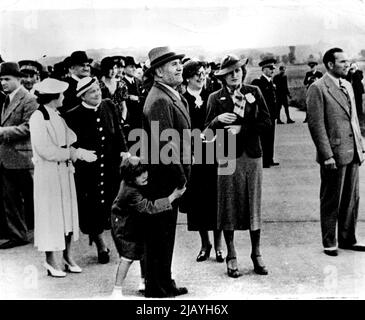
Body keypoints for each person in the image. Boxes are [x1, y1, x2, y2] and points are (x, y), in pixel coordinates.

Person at [205, 54, 271, 277]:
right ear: (223, 76)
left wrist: (243, 129)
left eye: (238, 70)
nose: (235, 75)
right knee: (228, 204)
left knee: (254, 203)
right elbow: (206, 132)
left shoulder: (254, 92)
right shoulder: (215, 98)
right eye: (230, 72)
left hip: (252, 155)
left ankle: (256, 252)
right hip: (227, 157)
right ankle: (231, 253)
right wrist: (216, 121)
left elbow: (266, 122)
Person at [30, 78, 97, 277]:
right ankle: (51, 261)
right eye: (61, 95)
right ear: (53, 97)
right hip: (49, 174)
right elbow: (44, 150)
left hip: (64, 172)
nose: (64, 98)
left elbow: (69, 140)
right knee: (51, 217)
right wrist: (73, 154)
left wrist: (78, 151)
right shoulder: (38, 117)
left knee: (67, 215)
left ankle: (67, 257)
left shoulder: (56, 115)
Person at [142, 46, 191, 298]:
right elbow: (166, 145)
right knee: (160, 235)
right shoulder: (160, 98)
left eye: (179, 62)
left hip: (167, 177)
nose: (179, 67)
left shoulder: (168, 94)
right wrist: (181, 180)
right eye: (173, 64)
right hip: (165, 179)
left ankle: (163, 282)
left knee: (164, 234)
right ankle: (156, 287)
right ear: (159, 72)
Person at [306, 47, 365, 257]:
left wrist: (361, 146)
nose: (347, 64)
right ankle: (330, 241)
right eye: (342, 62)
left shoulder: (348, 85)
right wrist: (326, 155)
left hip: (353, 152)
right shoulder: (318, 88)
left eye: (348, 61)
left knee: (352, 198)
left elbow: (354, 119)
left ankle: (348, 238)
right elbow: (316, 125)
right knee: (332, 198)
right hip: (334, 154)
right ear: (330, 65)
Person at [64, 77, 129, 264]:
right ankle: (101, 245)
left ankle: (120, 245)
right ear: (82, 95)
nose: (97, 93)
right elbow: (71, 143)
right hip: (87, 169)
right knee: (91, 208)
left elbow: (118, 131)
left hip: (110, 166)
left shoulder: (109, 105)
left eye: (98, 89)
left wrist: (124, 151)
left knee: (114, 205)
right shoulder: (72, 115)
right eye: (92, 91)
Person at [110, 156, 185, 298]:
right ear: (131, 179)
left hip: (133, 221)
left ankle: (143, 281)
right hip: (124, 227)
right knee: (128, 256)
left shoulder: (132, 182)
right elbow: (150, 207)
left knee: (143, 252)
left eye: (145, 171)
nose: (144, 175)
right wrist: (173, 196)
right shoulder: (131, 191)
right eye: (139, 174)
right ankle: (117, 289)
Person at [181, 60, 224, 263]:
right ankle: (204, 244)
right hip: (193, 156)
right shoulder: (182, 100)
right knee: (198, 201)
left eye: (203, 73)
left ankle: (218, 245)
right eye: (197, 74)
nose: (201, 76)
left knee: (216, 198)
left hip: (214, 152)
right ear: (188, 77)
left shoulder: (213, 96)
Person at [0, 62, 38, 249]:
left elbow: (29, 127)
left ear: (18, 79)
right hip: (8, 157)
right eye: (1, 79)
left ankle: (53, 230)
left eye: (7, 79)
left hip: (24, 157)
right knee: (11, 198)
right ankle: (18, 234)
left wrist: (2, 132)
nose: (3, 83)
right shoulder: (7, 99)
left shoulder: (29, 99)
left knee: (34, 196)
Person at [251, 57, 279, 168]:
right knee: (264, 138)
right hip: (263, 116)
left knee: (270, 138)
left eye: (273, 68)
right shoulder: (258, 82)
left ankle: (270, 158)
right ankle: (264, 161)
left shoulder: (271, 82)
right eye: (270, 68)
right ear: (263, 69)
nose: (272, 70)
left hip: (271, 116)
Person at [99, 56, 128, 126]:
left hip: (119, 120)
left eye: (115, 68)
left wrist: (122, 120)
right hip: (104, 120)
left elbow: (124, 107)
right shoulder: (98, 85)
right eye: (110, 68)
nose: (113, 71)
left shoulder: (121, 84)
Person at [123, 56, 145, 133]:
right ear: (124, 69)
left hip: (141, 119)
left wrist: (137, 98)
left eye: (135, 67)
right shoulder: (121, 83)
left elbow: (146, 97)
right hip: (129, 121)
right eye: (131, 67)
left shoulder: (138, 81)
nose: (134, 69)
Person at [303, 58, 323, 123]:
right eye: (311, 67)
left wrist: (317, 80)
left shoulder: (319, 74)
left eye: (313, 66)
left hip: (317, 91)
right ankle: (307, 117)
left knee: (318, 104)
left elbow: (322, 82)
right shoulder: (308, 74)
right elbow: (305, 82)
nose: (312, 68)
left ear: (315, 66)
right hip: (310, 90)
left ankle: (319, 118)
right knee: (308, 104)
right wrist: (308, 79)